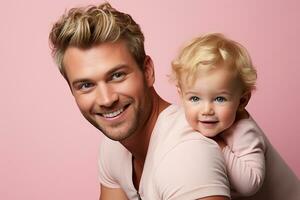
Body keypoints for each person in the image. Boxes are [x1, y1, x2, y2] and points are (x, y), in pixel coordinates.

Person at [49, 3, 231, 200]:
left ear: (147, 72)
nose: (106, 99)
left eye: (117, 75)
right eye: (85, 85)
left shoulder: (186, 154)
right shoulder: (114, 148)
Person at [171, 33, 300, 199]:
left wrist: (221, 146)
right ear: (181, 96)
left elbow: (250, 184)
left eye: (219, 99)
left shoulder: (245, 132)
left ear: (242, 101)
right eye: (195, 98)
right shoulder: (190, 119)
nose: (207, 110)